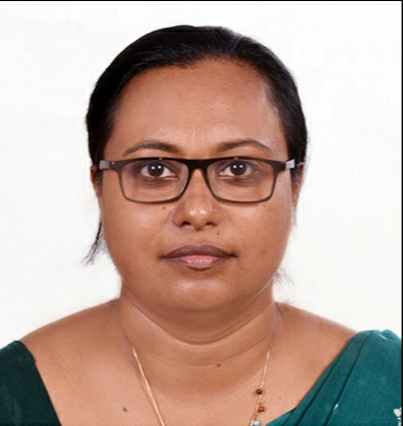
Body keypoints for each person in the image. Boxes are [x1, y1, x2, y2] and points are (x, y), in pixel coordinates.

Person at [0, 25, 400, 426]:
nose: (197, 211)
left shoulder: (386, 388)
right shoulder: (12, 396)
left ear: (295, 185)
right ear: (99, 187)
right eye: (155, 170)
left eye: (238, 168)